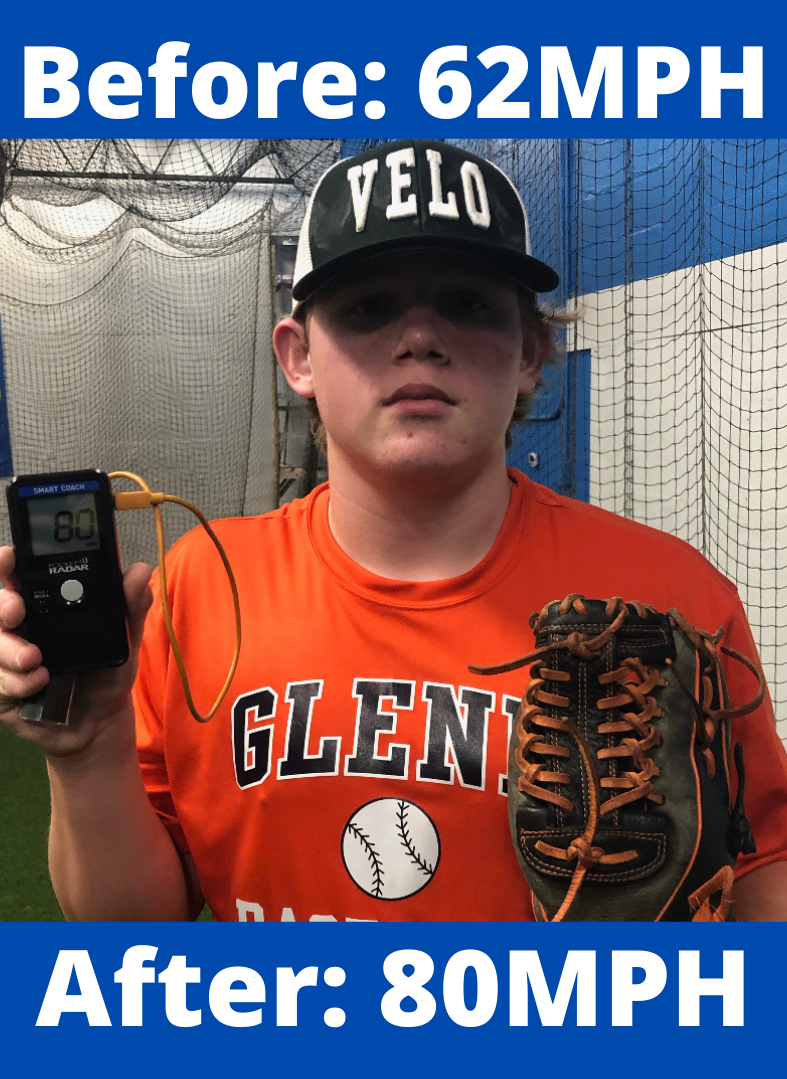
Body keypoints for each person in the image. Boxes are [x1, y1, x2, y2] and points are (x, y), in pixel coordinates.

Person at [1, 139, 786, 922]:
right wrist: (88, 753)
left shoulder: (667, 594)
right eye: (368, 307)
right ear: (298, 357)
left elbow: (763, 873)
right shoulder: (205, 585)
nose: (419, 337)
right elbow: (132, 929)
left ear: (530, 352)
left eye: (468, 304)